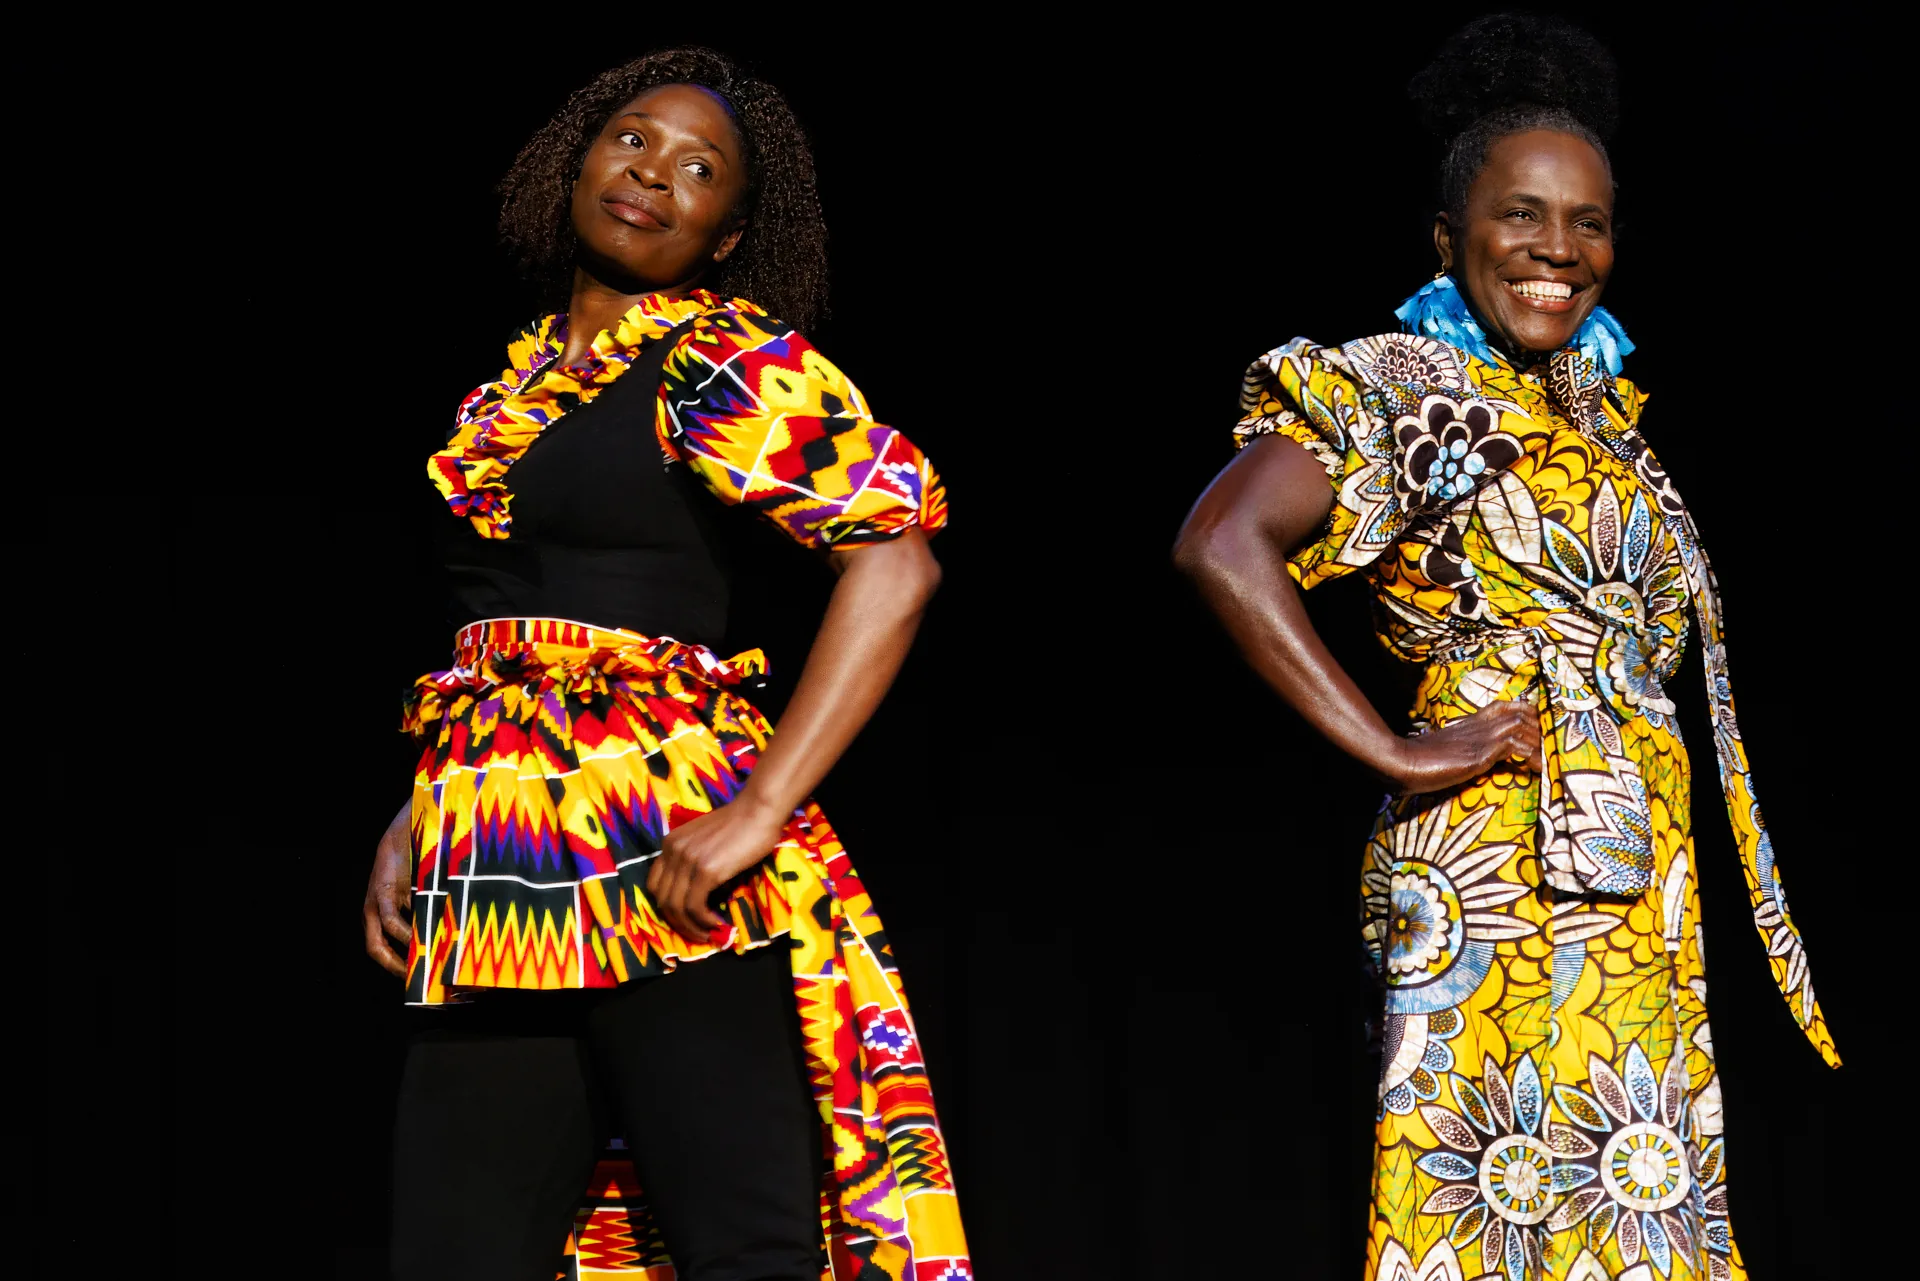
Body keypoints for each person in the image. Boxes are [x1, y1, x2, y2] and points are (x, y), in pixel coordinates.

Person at [1173, 15, 1836, 1281]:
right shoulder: (1413, 383)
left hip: (1634, 865)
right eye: (1522, 215)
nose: (1558, 251)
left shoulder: (1597, 420)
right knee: (1492, 1213)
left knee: (1632, 1216)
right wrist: (1392, 747)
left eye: (1589, 223)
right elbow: (1221, 542)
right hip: (1502, 859)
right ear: (1449, 238)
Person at [359, 48, 969, 1281]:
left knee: (743, 1249)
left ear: (731, 233)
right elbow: (509, 628)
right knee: (452, 1253)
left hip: (662, 852)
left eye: (701, 170)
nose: (655, 175)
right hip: (494, 861)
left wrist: (760, 809)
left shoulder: (721, 364)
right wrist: (420, 805)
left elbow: (896, 562)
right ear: (576, 158)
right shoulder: (512, 387)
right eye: (634, 140)